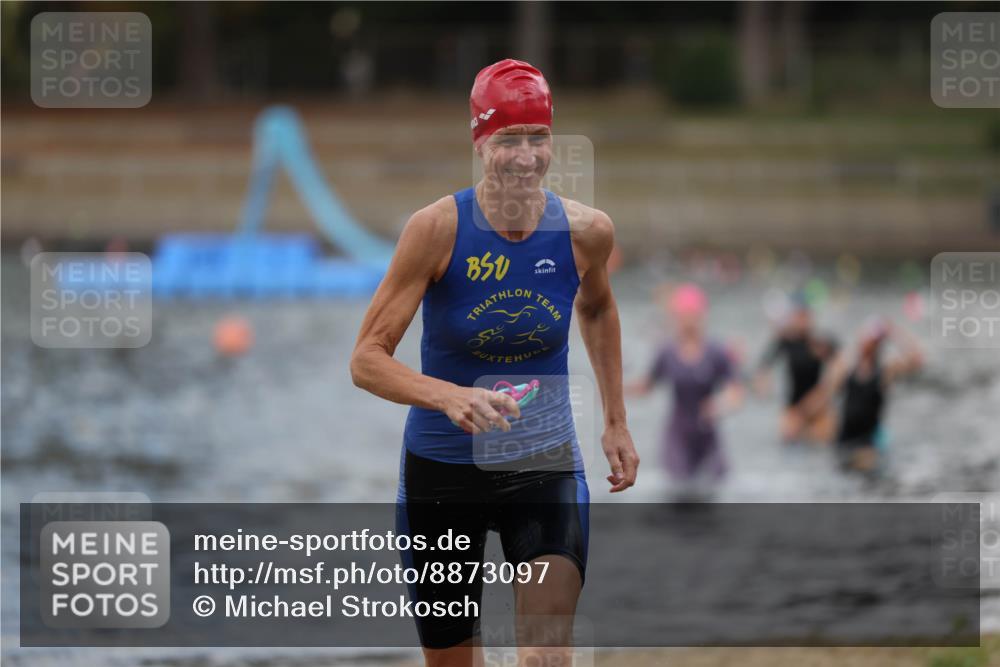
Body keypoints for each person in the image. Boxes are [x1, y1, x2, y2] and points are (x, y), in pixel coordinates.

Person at [350, 59, 638, 667]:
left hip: (544, 460)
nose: (527, 157)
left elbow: (597, 310)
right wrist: (448, 396)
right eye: (509, 140)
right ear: (480, 141)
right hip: (442, 472)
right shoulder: (435, 231)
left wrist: (615, 419)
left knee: (545, 655)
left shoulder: (586, 233)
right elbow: (367, 360)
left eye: (538, 139)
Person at [627, 284, 743, 495]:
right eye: (682, 316)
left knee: (720, 486)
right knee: (678, 492)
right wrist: (614, 392)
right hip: (677, 436)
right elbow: (647, 386)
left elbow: (735, 392)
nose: (688, 321)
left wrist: (720, 404)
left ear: (702, 316)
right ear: (674, 317)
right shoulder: (666, 352)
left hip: (708, 436)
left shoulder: (717, 351)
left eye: (693, 315)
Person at [809, 318, 923, 474]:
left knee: (864, 476)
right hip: (842, 439)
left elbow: (917, 359)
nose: (869, 343)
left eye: (874, 341)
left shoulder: (885, 372)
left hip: (867, 443)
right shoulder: (846, 368)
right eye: (867, 338)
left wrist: (894, 333)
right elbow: (825, 395)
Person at [753, 297, 839, 444]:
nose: (802, 320)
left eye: (805, 316)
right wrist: (763, 384)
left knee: (824, 438)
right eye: (799, 315)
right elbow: (764, 365)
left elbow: (840, 367)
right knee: (788, 439)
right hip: (794, 406)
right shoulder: (786, 341)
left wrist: (824, 394)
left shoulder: (818, 342)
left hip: (817, 404)